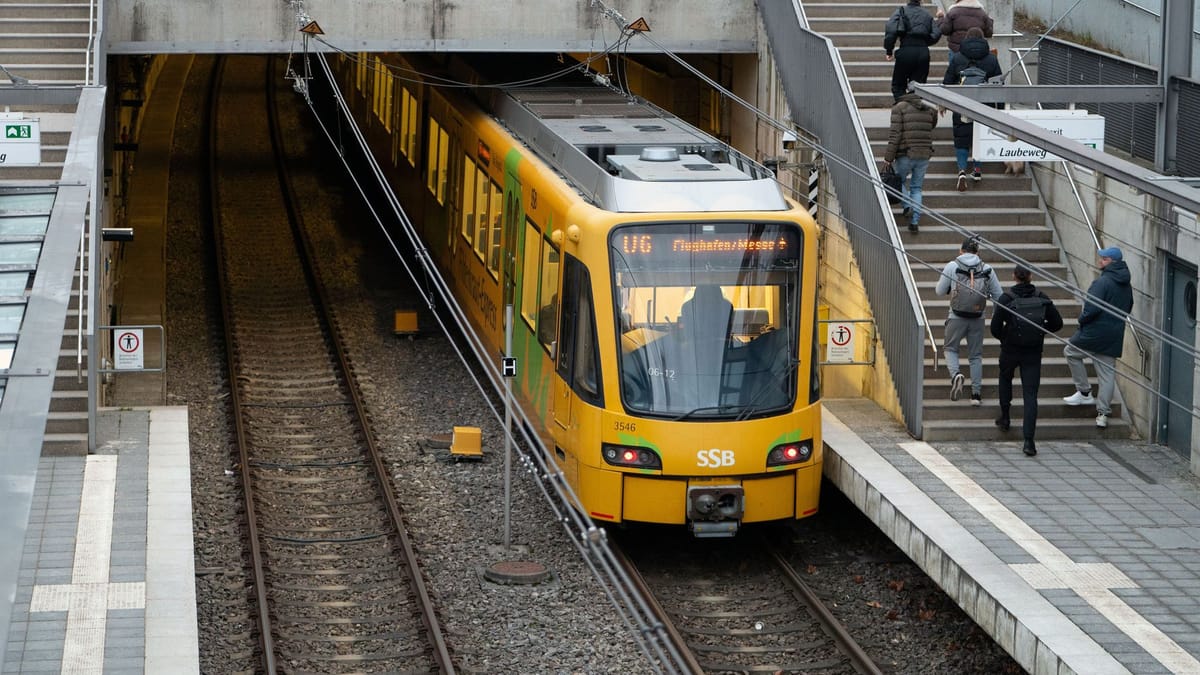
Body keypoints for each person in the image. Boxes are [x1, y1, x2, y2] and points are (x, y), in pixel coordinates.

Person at [990, 265, 1063, 456]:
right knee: (1030, 395)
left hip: (1010, 349)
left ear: (1014, 276)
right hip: (1033, 352)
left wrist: (1006, 337)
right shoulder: (1042, 298)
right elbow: (1057, 324)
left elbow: (995, 327)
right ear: (1030, 276)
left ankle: (1005, 417)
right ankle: (1029, 441)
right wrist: (1039, 330)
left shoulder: (1006, 299)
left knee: (1005, 379)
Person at [1062, 247, 1134, 428]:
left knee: (1070, 352)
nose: (1100, 261)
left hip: (1093, 332)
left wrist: (1081, 319)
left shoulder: (1102, 282)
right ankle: (1102, 414)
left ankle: (1084, 392)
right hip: (1114, 334)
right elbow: (1129, 306)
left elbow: (1091, 309)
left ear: (1112, 262)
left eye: (1104, 259)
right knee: (1107, 373)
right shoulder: (1126, 284)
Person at [936, 237, 1002, 405]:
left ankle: (956, 375)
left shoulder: (952, 266)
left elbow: (939, 291)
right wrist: (996, 316)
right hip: (977, 317)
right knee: (975, 356)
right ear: (978, 253)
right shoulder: (987, 269)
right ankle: (976, 395)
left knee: (950, 348)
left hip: (956, 316)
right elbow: (999, 296)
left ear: (961, 251)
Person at [941, 27, 1002, 190]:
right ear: (983, 40)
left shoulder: (957, 57)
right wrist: (1000, 109)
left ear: (966, 39)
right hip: (984, 106)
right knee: (979, 137)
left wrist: (944, 104)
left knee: (962, 139)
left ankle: (962, 170)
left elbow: (947, 82)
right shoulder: (991, 59)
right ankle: (977, 169)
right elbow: (999, 85)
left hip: (961, 104)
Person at [883, 90, 938, 233]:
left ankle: (907, 205)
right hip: (924, 153)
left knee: (897, 181)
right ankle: (914, 222)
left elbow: (895, 134)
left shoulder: (899, 108)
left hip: (905, 153)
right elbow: (932, 125)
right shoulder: (930, 108)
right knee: (917, 188)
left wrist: (888, 157)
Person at [884, 0, 943, 102]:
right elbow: (936, 32)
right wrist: (925, 42)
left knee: (898, 85)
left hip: (906, 50)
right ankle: (915, 108)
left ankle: (902, 106)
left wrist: (889, 50)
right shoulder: (926, 14)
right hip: (922, 52)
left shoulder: (900, 11)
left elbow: (890, 31)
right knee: (918, 87)